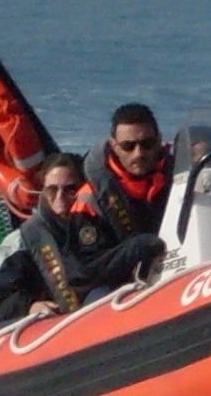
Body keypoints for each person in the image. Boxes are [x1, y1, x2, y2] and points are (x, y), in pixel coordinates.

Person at [69, 102, 172, 298]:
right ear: (114, 146)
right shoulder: (91, 198)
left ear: (159, 140)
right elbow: (83, 271)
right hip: (118, 291)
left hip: (181, 271)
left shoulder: (180, 178)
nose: (139, 153)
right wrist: (134, 249)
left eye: (147, 144)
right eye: (128, 146)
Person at [0, 152, 87, 321]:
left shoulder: (102, 227)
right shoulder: (20, 243)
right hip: (51, 327)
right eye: (52, 190)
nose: (60, 198)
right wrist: (31, 306)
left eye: (70, 190)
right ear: (42, 190)